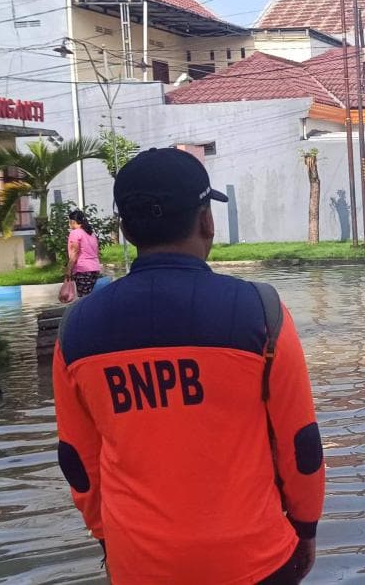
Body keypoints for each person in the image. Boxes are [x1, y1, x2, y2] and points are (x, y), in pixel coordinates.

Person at [53, 148, 325, 584]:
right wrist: (306, 528)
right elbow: (301, 445)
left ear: (125, 228)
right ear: (206, 221)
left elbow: (78, 461)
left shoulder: (76, 330)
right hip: (255, 559)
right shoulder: (263, 312)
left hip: (138, 565)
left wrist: (111, 539)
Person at [64, 209, 101, 299]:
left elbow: (75, 251)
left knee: (84, 299)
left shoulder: (75, 233)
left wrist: (69, 268)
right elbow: (96, 251)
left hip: (83, 269)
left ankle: (87, 313)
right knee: (89, 296)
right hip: (94, 268)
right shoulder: (91, 234)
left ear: (72, 221)